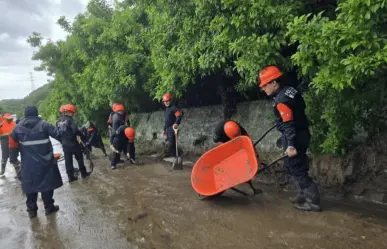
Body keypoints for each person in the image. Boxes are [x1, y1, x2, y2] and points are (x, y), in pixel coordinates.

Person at [258, 65, 321, 212]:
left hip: (295, 136)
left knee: (297, 168)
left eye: (265, 85)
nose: (263, 89)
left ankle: (313, 202)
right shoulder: (291, 90)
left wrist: (291, 145)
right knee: (291, 165)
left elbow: (289, 124)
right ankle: (302, 195)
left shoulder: (281, 100)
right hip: (301, 133)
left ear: (274, 83)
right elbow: (300, 108)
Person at [8, 106, 62, 218]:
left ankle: (32, 211)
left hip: (28, 164)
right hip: (45, 162)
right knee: (47, 185)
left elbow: (12, 145)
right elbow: (59, 135)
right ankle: (49, 207)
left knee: (30, 186)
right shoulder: (45, 125)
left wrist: (13, 159)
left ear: (25, 115)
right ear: (37, 114)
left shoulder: (17, 128)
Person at [56, 104, 91, 182]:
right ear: (68, 112)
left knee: (68, 161)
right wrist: (83, 137)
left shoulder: (58, 122)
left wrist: (62, 141)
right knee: (79, 159)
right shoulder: (70, 120)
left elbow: (57, 134)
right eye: (72, 112)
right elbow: (76, 131)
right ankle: (83, 173)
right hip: (74, 144)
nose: (73, 114)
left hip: (65, 145)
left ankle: (71, 177)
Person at [161, 93, 183, 159]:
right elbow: (166, 121)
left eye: (167, 101)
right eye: (165, 101)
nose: (166, 103)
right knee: (171, 145)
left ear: (170, 100)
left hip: (173, 128)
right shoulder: (165, 110)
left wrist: (176, 123)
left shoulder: (174, 108)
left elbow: (179, 116)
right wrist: (164, 129)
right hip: (168, 129)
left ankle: (176, 157)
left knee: (171, 144)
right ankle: (175, 157)